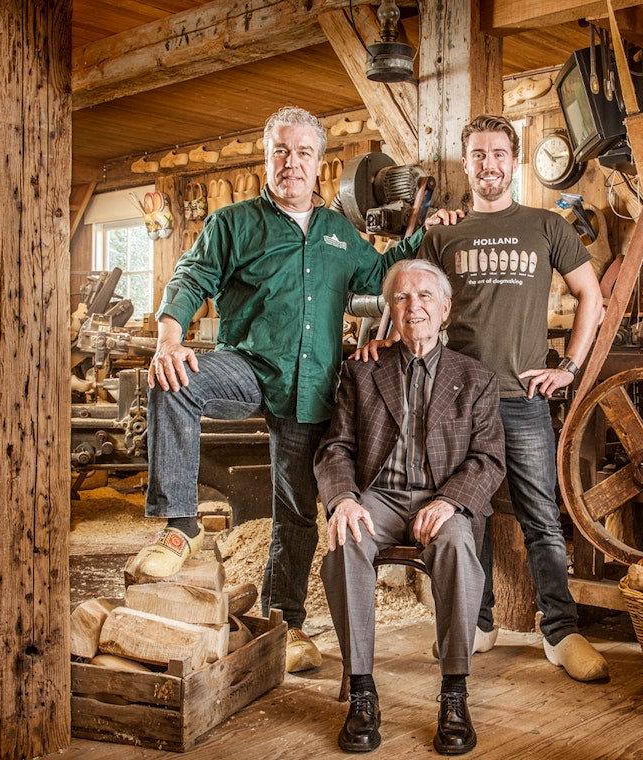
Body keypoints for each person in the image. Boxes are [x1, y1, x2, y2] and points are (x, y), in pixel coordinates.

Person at [128, 105, 426, 674]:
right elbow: (191, 277)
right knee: (173, 381)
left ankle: (284, 625)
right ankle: (179, 526)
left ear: (319, 164)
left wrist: (423, 236)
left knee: (296, 510)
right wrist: (170, 338)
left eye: (304, 153)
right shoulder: (233, 223)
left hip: (312, 385)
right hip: (247, 367)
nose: (292, 163)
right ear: (268, 158)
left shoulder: (341, 233)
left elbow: (381, 276)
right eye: (281, 152)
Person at [418, 114, 607, 681]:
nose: (489, 165)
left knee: (543, 519)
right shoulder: (442, 233)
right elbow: (418, 304)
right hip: (456, 401)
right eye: (478, 155)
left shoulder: (547, 227)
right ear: (467, 162)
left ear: (514, 160)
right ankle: (477, 625)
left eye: (499, 154)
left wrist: (569, 368)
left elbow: (590, 297)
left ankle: (560, 631)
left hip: (524, 399)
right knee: (465, 518)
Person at [316, 259, 504, 755]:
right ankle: (361, 692)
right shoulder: (362, 369)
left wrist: (450, 501)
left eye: (424, 297)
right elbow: (335, 447)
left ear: (445, 309)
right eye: (401, 298)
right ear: (389, 311)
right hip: (378, 496)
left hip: (442, 499)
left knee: (460, 545)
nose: (413, 306)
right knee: (344, 540)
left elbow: (488, 459)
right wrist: (342, 500)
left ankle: (455, 694)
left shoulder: (476, 377)